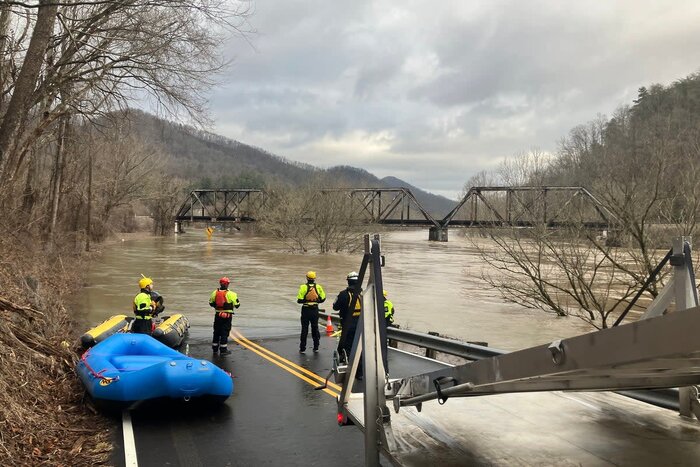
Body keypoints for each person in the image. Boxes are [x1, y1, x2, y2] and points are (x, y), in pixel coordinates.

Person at [333, 271, 363, 371]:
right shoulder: (363, 294)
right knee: (360, 347)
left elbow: (335, 307)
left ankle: (351, 369)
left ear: (348, 282)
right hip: (361, 325)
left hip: (348, 324)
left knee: (348, 346)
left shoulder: (343, 294)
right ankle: (360, 371)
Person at [209, 276, 240, 355]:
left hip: (217, 315)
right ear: (227, 284)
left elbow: (211, 303)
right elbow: (237, 305)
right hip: (227, 316)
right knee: (224, 332)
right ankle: (223, 350)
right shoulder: (232, 294)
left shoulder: (214, 293)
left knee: (216, 331)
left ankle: (214, 348)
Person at [296, 271, 326, 353]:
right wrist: (316, 300)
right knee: (315, 327)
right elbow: (323, 298)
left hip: (306, 310)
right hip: (315, 310)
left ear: (307, 278)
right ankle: (316, 347)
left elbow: (299, 300)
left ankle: (302, 348)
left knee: (304, 329)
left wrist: (306, 299)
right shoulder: (318, 287)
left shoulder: (303, 287)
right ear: (314, 278)